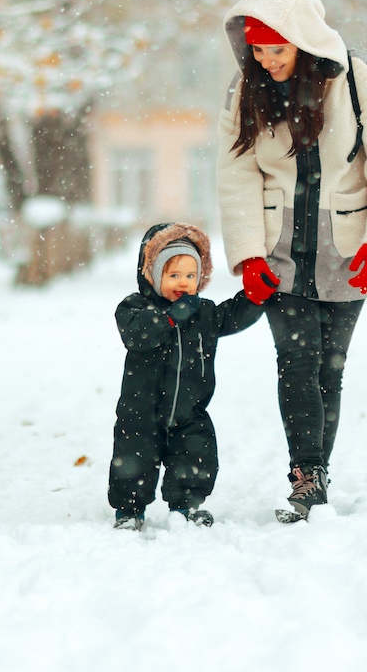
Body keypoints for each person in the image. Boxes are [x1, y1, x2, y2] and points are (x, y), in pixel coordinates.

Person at [215, 0, 367, 522]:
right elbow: (236, 175)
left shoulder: (356, 77)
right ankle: (307, 478)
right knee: (295, 362)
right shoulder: (245, 89)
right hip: (278, 250)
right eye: (256, 49)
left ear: (301, 39)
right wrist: (249, 253)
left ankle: (315, 470)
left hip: (346, 247)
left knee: (329, 367)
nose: (265, 60)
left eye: (275, 49)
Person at [109, 222, 265, 530]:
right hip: (141, 410)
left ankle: (186, 507)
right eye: (174, 275)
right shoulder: (135, 307)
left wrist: (255, 297)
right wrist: (169, 318)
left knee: (196, 456)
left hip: (189, 410)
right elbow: (137, 335)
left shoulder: (203, 312)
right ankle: (129, 510)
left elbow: (231, 316)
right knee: (133, 461)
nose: (183, 283)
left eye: (190, 276)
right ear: (154, 275)